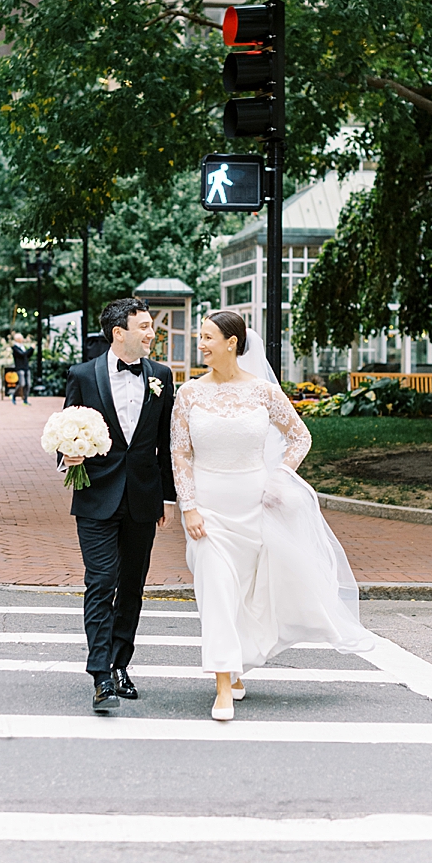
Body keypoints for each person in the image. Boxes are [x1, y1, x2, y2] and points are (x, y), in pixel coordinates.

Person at [170, 311, 375, 721]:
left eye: (209, 337)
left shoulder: (263, 392)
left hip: (254, 506)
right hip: (208, 509)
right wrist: (188, 506)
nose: (202, 344)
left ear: (233, 342)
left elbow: (300, 436)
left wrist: (280, 478)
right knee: (216, 589)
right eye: (201, 337)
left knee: (246, 595)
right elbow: (181, 453)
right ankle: (223, 686)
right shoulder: (189, 394)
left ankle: (237, 665)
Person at [58, 298, 176, 712]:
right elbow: (65, 431)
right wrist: (67, 456)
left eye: (151, 326)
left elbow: (166, 444)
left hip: (143, 498)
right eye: (143, 326)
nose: (151, 333)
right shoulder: (82, 375)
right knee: (101, 580)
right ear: (118, 333)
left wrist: (168, 497)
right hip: (95, 495)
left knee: (132, 587)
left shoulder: (162, 377)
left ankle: (120, 664)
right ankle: (100, 675)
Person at [10, 333, 33, 405]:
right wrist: (31, 348)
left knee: (28, 384)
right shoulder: (15, 348)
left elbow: (27, 355)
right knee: (22, 384)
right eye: (21, 338)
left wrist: (31, 350)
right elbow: (22, 354)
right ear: (17, 339)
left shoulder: (23, 347)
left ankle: (25, 400)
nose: (23, 339)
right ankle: (13, 395)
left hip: (26, 367)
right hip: (20, 368)